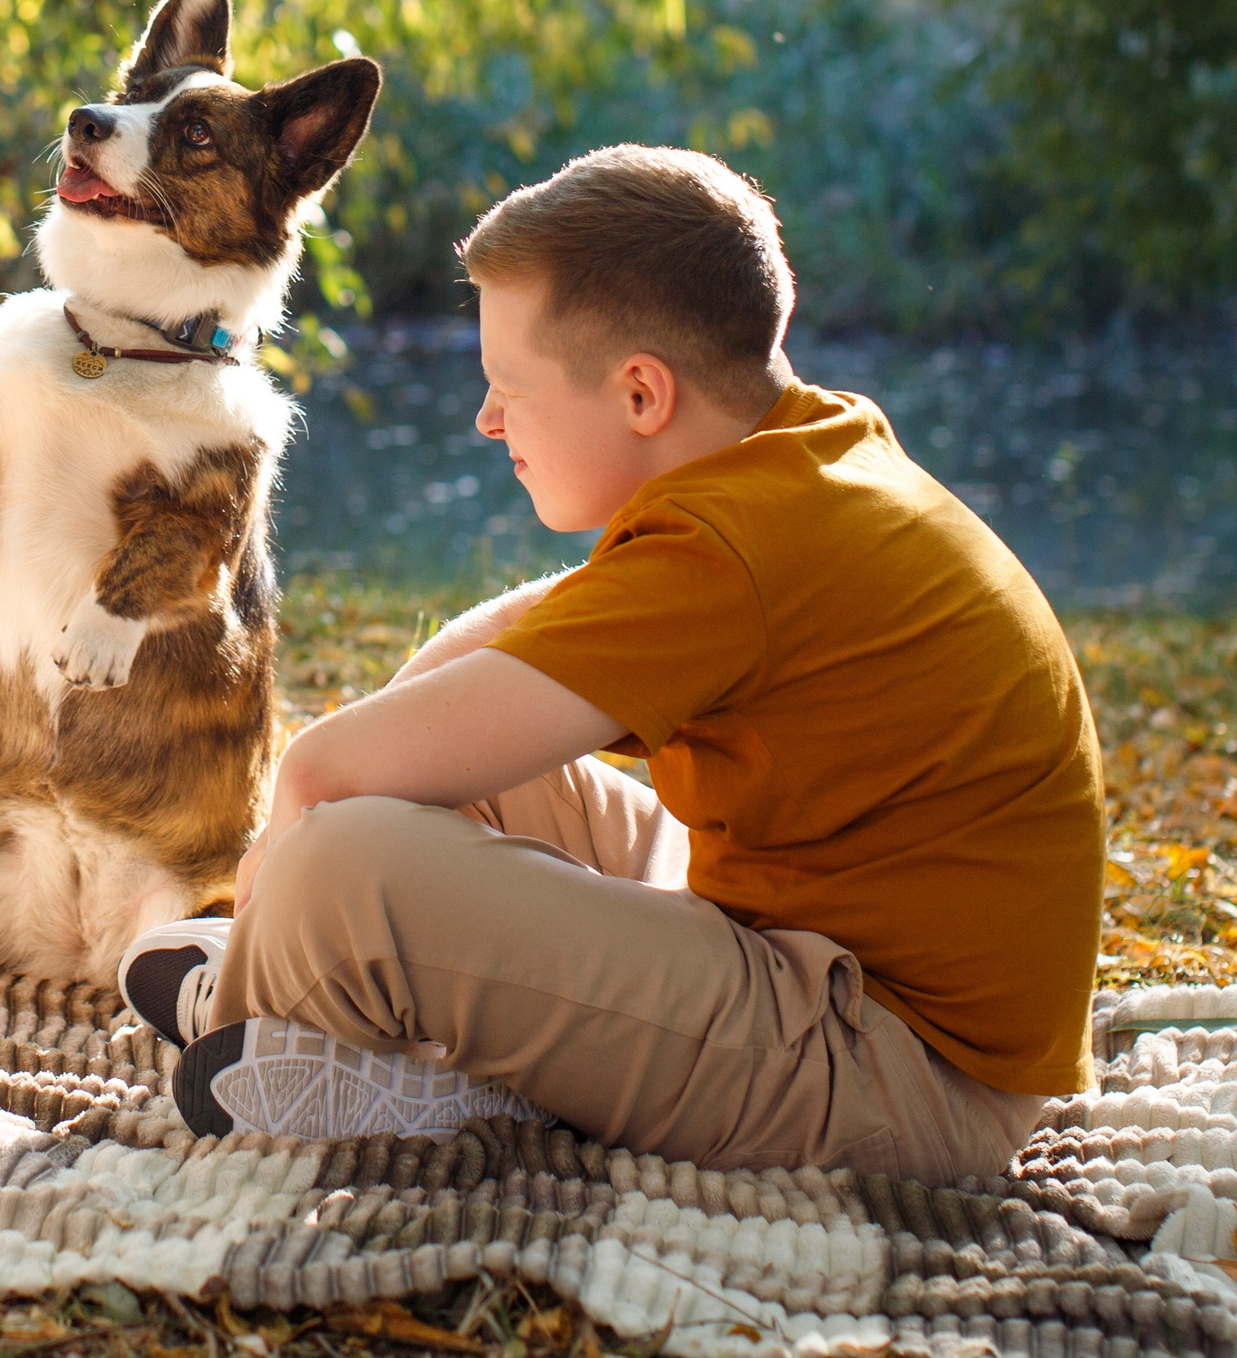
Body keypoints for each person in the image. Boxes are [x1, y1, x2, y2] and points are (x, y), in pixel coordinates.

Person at [119, 145, 1100, 1180]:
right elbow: (512, 648)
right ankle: (310, 992)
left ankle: (286, 1016)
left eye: (508, 387)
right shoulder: (806, 456)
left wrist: (286, 869)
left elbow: (321, 773)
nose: (486, 420)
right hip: (799, 944)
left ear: (640, 394)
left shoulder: (729, 550)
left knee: (339, 864)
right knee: (464, 762)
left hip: (894, 1077)